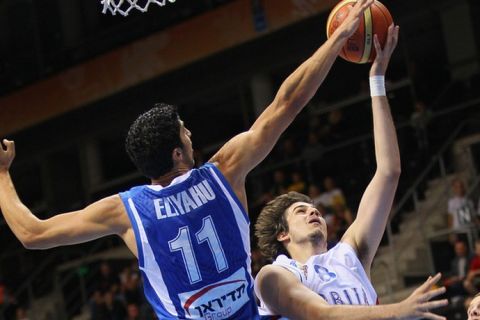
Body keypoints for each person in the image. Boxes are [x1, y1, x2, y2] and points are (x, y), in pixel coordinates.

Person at [0, 1, 375, 319]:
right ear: (178, 152)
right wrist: (336, 40)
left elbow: (32, 234)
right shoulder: (223, 173)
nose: (191, 135)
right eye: (185, 131)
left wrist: (2, 174)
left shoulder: (126, 211)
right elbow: (287, 102)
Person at [254, 24, 448, 319]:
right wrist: (399, 310)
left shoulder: (350, 254)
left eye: (313, 208)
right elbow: (324, 315)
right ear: (282, 234)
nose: (313, 212)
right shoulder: (273, 276)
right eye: (300, 212)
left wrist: (378, 81)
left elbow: (388, 171)